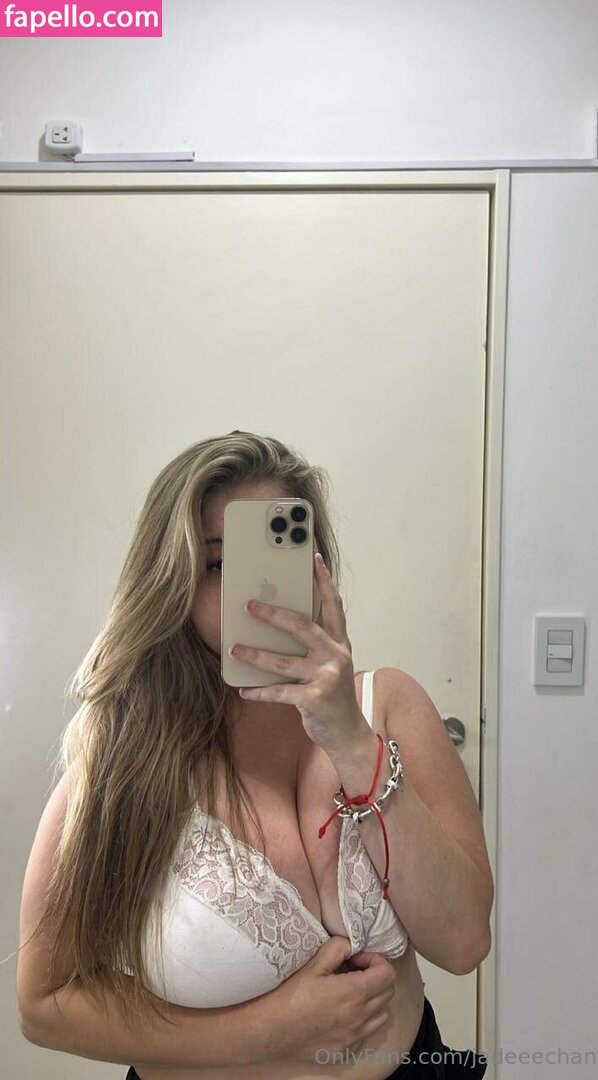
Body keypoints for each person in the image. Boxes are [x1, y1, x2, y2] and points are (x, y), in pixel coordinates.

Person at [16, 431, 492, 1078]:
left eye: (275, 559)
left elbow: (465, 943)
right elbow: (44, 1004)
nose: (250, 595)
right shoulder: (124, 757)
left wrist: (350, 741)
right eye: (217, 565)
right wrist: (270, 1029)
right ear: (175, 582)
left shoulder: (387, 706)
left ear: (317, 568)